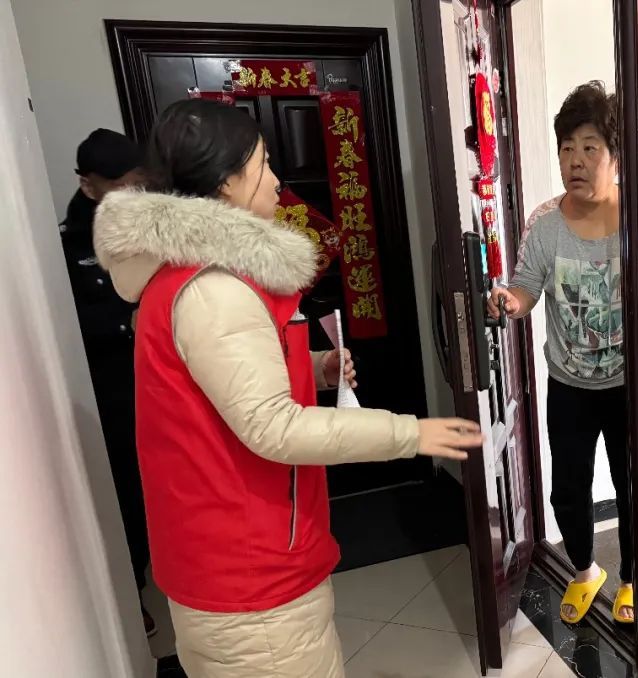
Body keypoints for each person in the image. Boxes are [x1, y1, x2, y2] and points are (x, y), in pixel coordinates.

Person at [92, 99, 481, 678]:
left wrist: (319, 368)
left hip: (231, 560)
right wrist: (410, 433)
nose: (277, 181)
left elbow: (226, 383)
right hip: (249, 579)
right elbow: (273, 426)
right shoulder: (212, 288)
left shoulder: (189, 276)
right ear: (225, 182)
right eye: (263, 165)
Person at [487, 81, 632, 625]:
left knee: (632, 487)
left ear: (615, 155)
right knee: (567, 489)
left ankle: (632, 578)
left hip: (627, 385)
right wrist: (511, 301)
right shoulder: (545, 224)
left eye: (590, 147)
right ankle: (585, 571)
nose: (576, 160)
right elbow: (527, 285)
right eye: (567, 147)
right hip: (568, 384)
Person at [60, 129, 156, 636]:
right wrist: (128, 323)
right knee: (126, 495)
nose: (132, 195)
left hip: (163, 380)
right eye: (120, 186)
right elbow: (69, 323)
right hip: (114, 391)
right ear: (89, 185)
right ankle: (130, 591)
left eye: (138, 184)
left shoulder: (153, 227)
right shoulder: (68, 246)